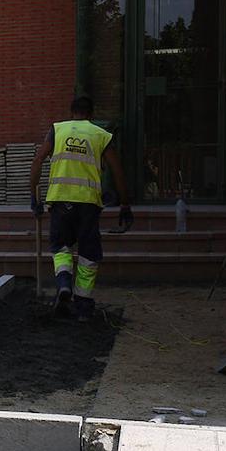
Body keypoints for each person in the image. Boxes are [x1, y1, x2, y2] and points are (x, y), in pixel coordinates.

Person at [29, 96, 132, 321]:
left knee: (60, 247)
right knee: (88, 253)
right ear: (91, 114)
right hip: (88, 204)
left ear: (71, 112)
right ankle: (83, 306)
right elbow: (117, 171)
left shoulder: (57, 130)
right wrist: (125, 204)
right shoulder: (100, 135)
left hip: (59, 201)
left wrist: (34, 197)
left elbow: (37, 161)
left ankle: (64, 283)